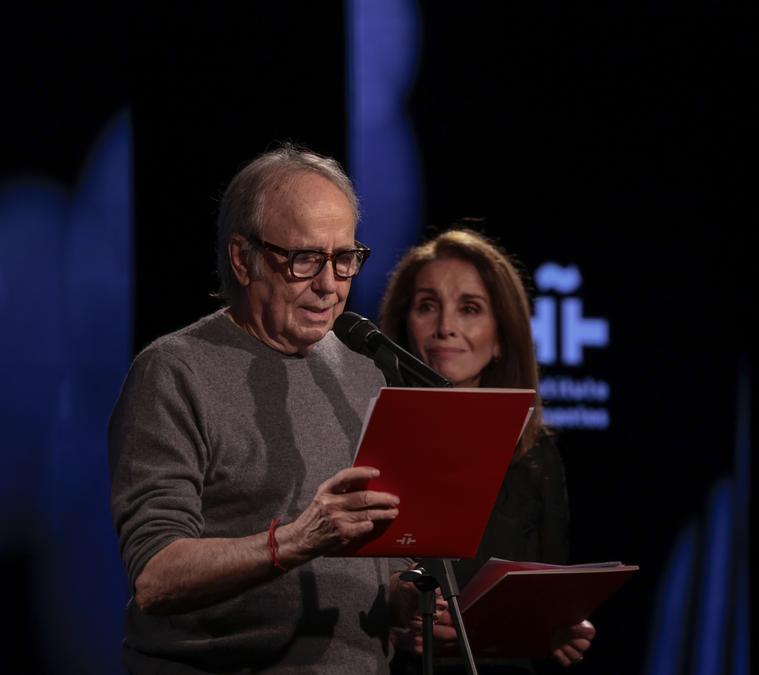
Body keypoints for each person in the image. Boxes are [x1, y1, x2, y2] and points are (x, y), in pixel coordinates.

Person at [109, 144, 408, 672]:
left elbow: (376, 561)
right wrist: (299, 539)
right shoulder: (175, 371)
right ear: (242, 259)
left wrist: (408, 601)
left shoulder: (365, 372)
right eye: (305, 259)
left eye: (344, 259)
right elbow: (154, 577)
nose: (330, 284)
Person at [377, 228, 596, 673]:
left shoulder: (537, 453)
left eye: (470, 308)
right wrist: (392, 623)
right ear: (402, 328)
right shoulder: (365, 437)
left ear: (500, 338)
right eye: (426, 307)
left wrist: (558, 629)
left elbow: (545, 594)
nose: (445, 328)